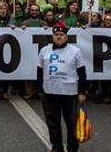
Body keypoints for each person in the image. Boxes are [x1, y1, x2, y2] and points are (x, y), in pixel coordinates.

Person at [38, 21, 88, 152]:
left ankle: (72, 147)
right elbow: (39, 71)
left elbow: (82, 73)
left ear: (66, 36)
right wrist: (40, 90)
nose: (59, 37)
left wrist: (82, 92)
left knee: (71, 123)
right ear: (52, 36)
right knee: (52, 123)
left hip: (70, 93)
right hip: (49, 92)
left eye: (61, 34)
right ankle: (56, 146)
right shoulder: (44, 51)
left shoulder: (75, 51)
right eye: (56, 34)